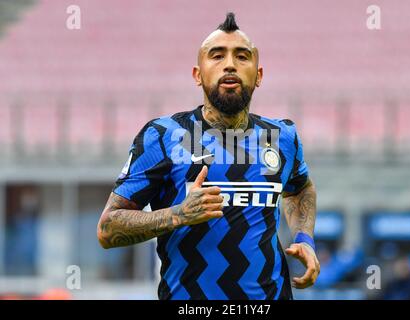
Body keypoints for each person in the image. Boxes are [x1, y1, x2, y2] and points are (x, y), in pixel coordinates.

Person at [97, 12, 319, 300]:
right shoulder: (163, 136)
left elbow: (300, 189)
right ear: (197, 75)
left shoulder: (282, 137)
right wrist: (179, 214)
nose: (230, 65)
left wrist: (304, 238)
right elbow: (108, 227)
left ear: (259, 75)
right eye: (217, 56)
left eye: (242, 56)